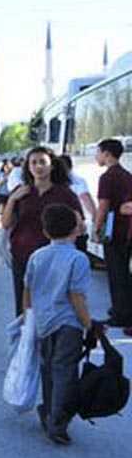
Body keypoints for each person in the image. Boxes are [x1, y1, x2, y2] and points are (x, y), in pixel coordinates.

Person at [22, 204, 96, 446]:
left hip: (44, 322)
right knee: (65, 371)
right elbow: (77, 297)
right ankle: (57, 421)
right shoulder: (79, 259)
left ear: (45, 232)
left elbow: (28, 290)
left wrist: (27, 318)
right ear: (77, 229)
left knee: (48, 368)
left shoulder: (37, 256)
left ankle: (48, 410)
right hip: (69, 324)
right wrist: (90, 324)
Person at [1, 146, 83, 317]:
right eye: (34, 163)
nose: (38, 166)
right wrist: (13, 199)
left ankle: (50, 341)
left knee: (53, 305)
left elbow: (80, 227)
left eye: (43, 162)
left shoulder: (65, 194)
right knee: (24, 308)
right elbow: (6, 223)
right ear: (28, 167)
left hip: (55, 260)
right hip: (23, 256)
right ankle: (25, 340)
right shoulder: (21, 192)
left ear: (51, 165)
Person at [95, 138, 132, 328]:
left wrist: (96, 229)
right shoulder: (127, 175)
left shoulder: (107, 178)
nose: (96, 156)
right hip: (128, 231)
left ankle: (120, 314)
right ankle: (124, 311)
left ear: (107, 154)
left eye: (98, 152)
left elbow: (103, 206)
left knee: (116, 274)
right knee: (125, 272)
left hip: (113, 231)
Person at [56, 155, 97, 251]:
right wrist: (95, 218)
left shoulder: (72, 181)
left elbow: (85, 197)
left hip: (65, 226)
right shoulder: (78, 180)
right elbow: (86, 198)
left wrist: (95, 218)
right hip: (75, 227)